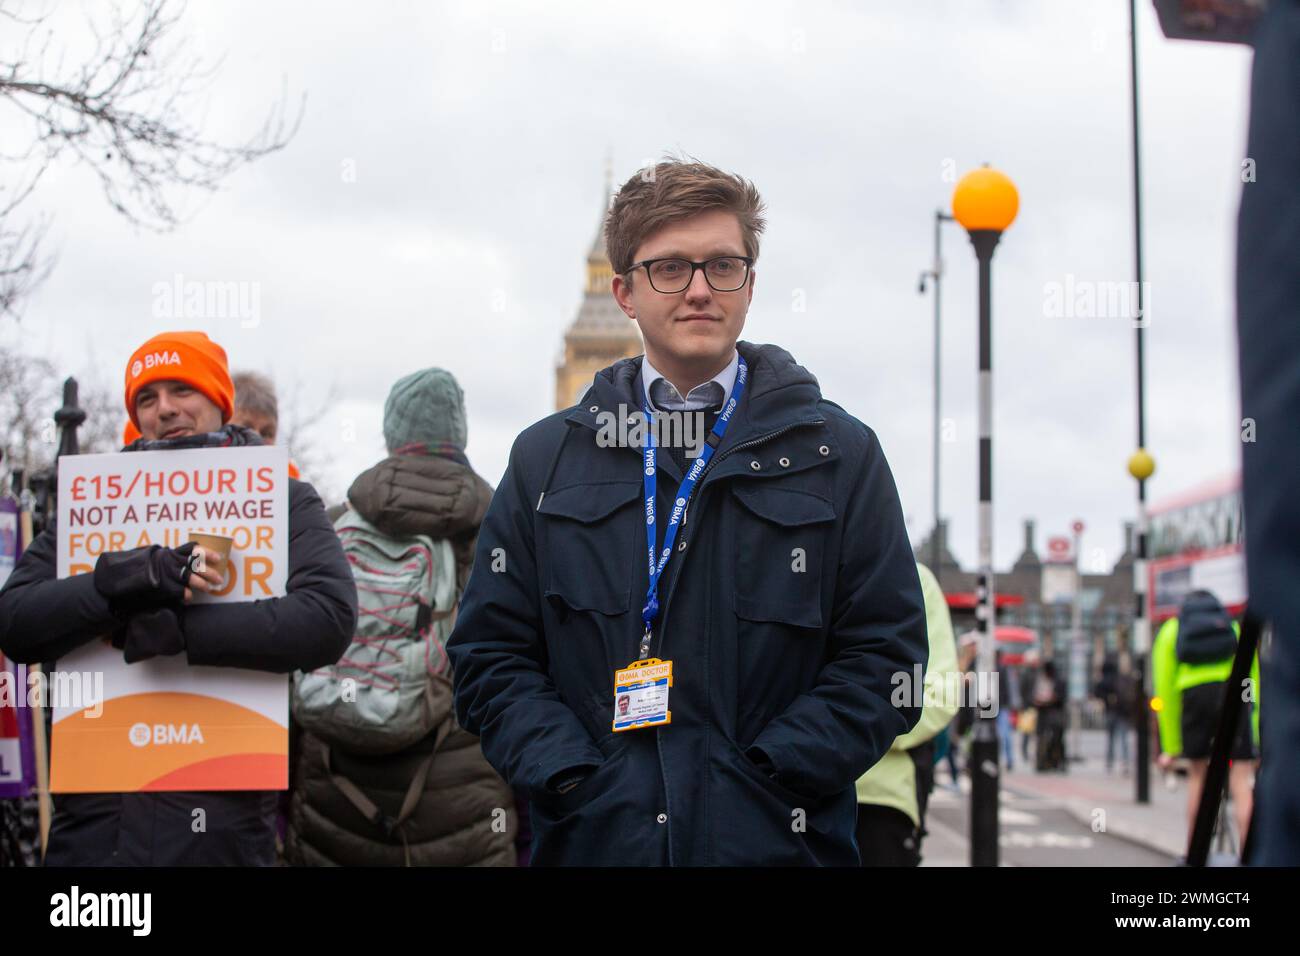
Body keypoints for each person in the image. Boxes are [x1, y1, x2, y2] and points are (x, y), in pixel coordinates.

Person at [447, 158, 928, 866]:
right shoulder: (544, 460)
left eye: (722, 265)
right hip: (598, 846)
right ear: (625, 293)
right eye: (670, 268)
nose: (700, 289)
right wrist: (575, 778)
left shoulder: (841, 455)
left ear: (751, 283)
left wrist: (768, 778)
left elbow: (888, 659)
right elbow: (489, 657)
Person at [0, 330, 358, 865]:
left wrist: (184, 635)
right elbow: (15, 622)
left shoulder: (282, 496)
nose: (165, 409)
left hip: (221, 822)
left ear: (219, 399)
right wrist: (118, 583)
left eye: (182, 390)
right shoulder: (93, 499)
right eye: (147, 397)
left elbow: (327, 618)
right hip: (97, 826)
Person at [285, 368, 515, 866]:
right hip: (462, 809)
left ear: (393, 434)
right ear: (459, 434)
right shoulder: (500, 530)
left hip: (333, 799)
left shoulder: (333, 523)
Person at [855, 562, 958, 866]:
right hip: (795, 791)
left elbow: (940, 694)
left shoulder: (916, 579)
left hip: (879, 799)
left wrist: (849, 731)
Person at [1152, 590, 1259, 850]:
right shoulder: (1231, 627)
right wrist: (1254, 740)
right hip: (1233, 692)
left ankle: (1195, 852)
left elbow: (1164, 691)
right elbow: (1252, 680)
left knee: (1198, 776)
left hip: (1194, 697)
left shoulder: (1172, 630)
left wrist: (1171, 747)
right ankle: (1251, 855)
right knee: (1241, 779)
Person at [230, 370, 301, 479]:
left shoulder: (291, 488)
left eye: (266, 433)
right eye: (246, 428)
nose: (257, 439)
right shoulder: (199, 475)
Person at [1094, 651, 1135, 774]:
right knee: (1123, 739)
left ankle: (1110, 762)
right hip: (1122, 712)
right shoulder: (1120, 679)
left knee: (1111, 739)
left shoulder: (1105, 680)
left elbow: (1097, 691)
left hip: (1111, 712)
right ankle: (1124, 763)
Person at [1032, 660, 1068, 772]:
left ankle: (1057, 763)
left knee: (1057, 740)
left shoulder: (1058, 681)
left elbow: (1059, 698)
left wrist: (1046, 701)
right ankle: (1045, 763)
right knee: (1045, 740)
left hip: (1055, 716)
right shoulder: (1043, 681)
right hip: (1046, 716)